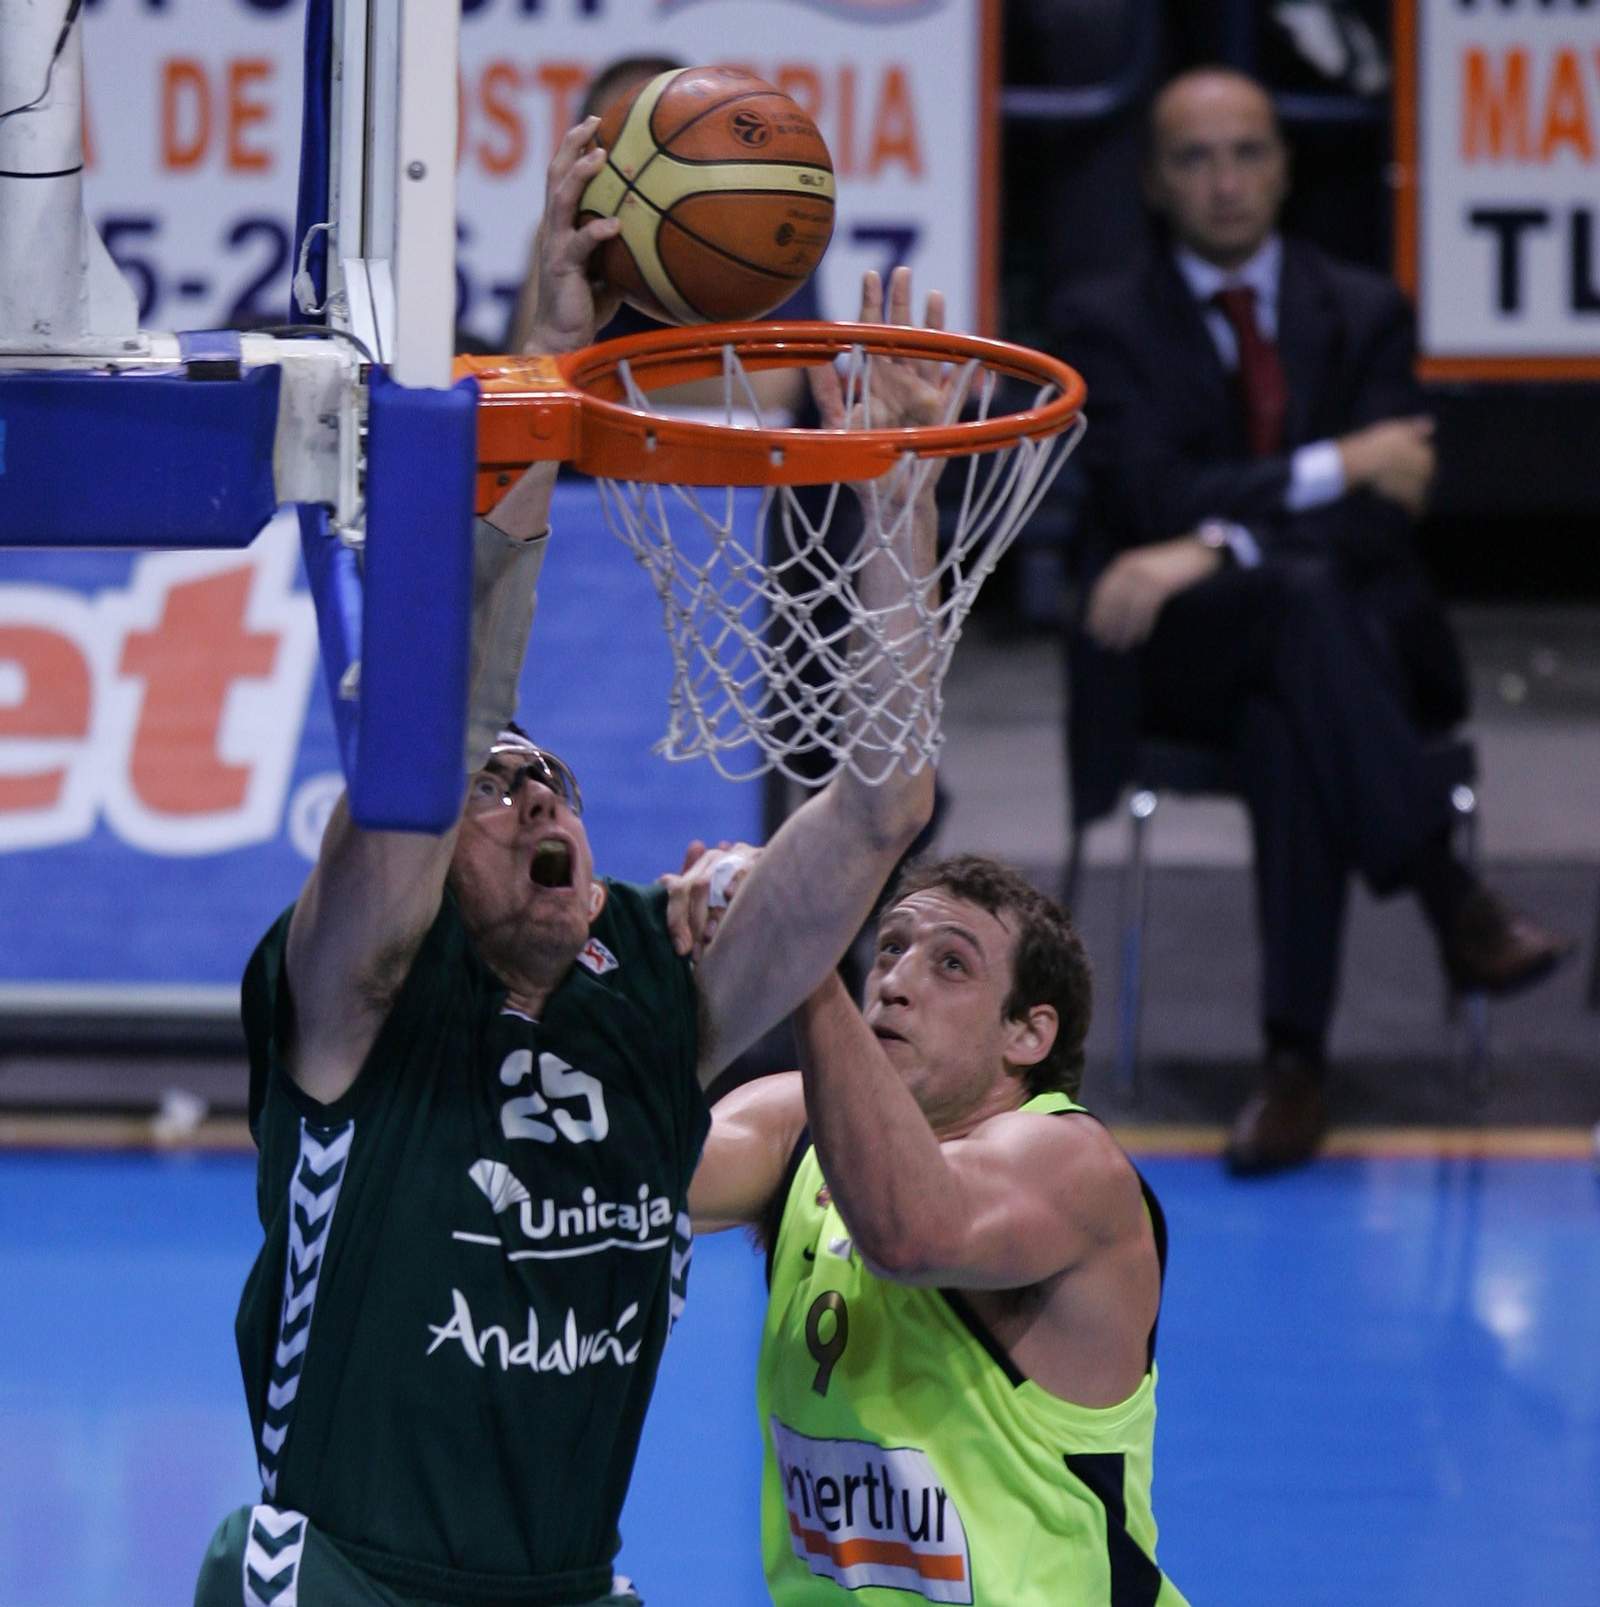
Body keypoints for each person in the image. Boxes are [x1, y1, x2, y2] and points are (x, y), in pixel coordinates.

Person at [191, 118, 944, 1607]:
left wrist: (900, 497)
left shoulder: (657, 991)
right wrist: (540, 371)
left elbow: (877, 808)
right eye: (496, 787)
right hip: (339, 1573)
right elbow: (425, 760)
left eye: (555, 781)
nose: (536, 796)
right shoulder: (358, 1000)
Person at [1049, 66, 1570, 1174]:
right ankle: (1448, 897)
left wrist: (1213, 539)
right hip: (1173, 655)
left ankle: (1294, 1066)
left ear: (1284, 168)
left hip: (1333, 658)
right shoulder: (1101, 320)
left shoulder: (1366, 309)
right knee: (1296, 608)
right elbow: (1147, 496)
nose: (1225, 180)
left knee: (1290, 710)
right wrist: (1334, 470)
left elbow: (1386, 524)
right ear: (1151, 181)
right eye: (1195, 156)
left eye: (1247, 151)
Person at [685, 853, 1188, 1607]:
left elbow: (910, 1231)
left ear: (1027, 1034)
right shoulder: (798, 1121)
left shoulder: (1071, 1165)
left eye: (950, 963)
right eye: (889, 947)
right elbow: (619, 1164)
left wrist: (804, 954)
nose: (895, 981)